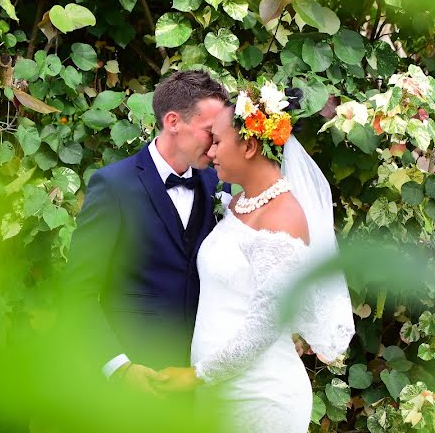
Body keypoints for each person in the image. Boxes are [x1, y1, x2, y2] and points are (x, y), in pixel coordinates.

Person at [153, 80, 355, 432]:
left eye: (217, 141)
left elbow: (266, 325)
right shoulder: (238, 202)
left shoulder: (283, 217)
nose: (210, 152)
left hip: (260, 397)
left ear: (248, 145)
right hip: (220, 392)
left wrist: (196, 376)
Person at [62, 69, 229, 394]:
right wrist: (119, 366)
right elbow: (77, 293)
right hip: (134, 384)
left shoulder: (219, 185)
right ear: (173, 122)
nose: (215, 145)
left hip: (200, 381)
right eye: (210, 131)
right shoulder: (113, 186)